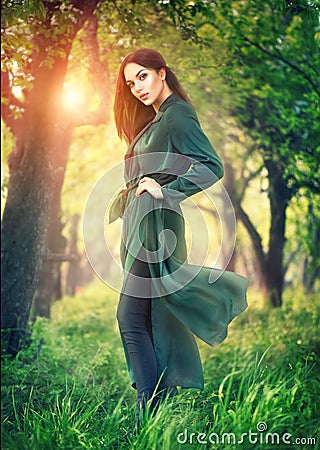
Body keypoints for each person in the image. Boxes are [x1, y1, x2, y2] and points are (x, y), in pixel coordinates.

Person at [111, 48, 248, 424]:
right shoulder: (156, 120)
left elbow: (210, 166)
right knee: (149, 316)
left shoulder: (177, 115)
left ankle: (148, 414)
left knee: (130, 316)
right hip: (144, 225)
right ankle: (154, 415)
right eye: (130, 82)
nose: (137, 87)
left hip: (156, 229)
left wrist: (165, 190)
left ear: (161, 72)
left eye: (142, 76)